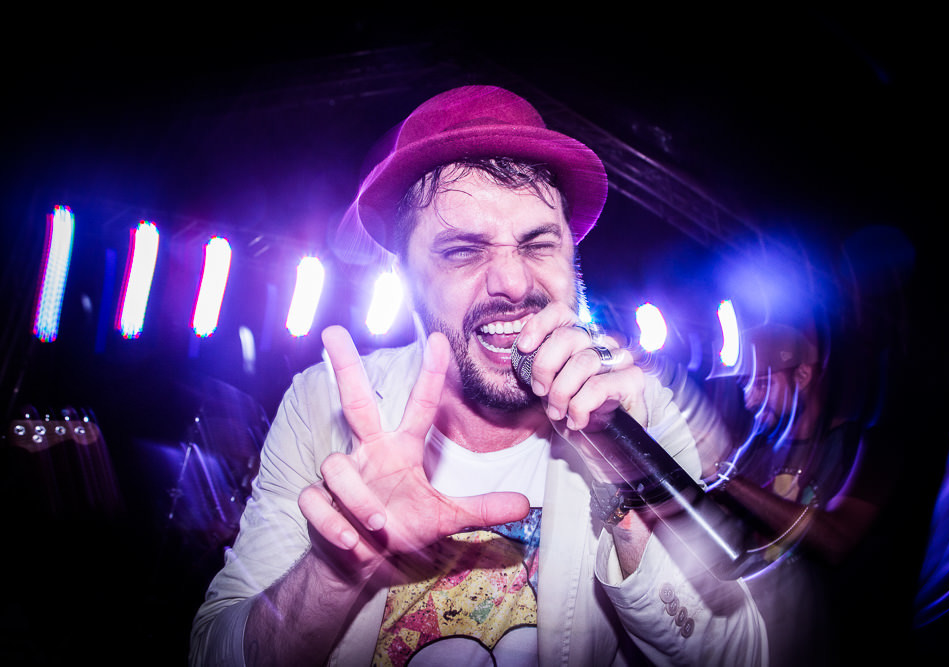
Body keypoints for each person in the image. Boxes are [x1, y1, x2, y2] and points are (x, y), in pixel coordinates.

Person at [190, 85, 767, 666]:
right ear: (404, 274)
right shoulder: (323, 403)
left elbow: (740, 656)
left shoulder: (634, 410)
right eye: (464, 250)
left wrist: (628, 494)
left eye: (538, 244)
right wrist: (336, 569)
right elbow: (214, 654)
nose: (513, 283)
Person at [708, 322, 883, 666]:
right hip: (764, 646)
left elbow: (837, 541)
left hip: (835, 647)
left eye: (760, 383)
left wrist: (726, 479)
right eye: (744, 385)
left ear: (802, 376)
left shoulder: (864, 446)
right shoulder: (751, 451)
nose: (749, 399)